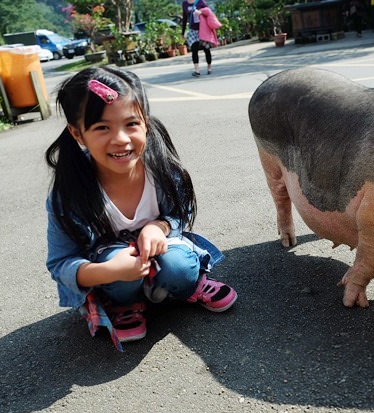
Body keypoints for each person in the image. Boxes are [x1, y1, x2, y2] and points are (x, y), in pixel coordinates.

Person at [45, 67, 237, 351]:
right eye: (101, 127)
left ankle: (190, 286)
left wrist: (158, 226)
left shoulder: (163, 171)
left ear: (145, 122)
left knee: (179, 266)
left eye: (131, 124)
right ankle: (124, 304)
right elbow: (61, 263)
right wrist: (108, 271)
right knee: (118, 270)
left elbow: (179, 213)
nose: (121, 139)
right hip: (112, 271)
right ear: (78, 134)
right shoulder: (68, 195)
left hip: (165, 252)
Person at [181, 0, 220, 77]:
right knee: (194, 49)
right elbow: (185, 18)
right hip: (193, 30)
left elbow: (209, 13)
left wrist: (201, 12)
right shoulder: (184, 4)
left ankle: (209, 67)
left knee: (206, 49)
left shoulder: (201, 2)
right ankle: (197, 70)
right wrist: (183, 32)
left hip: (203, 29)